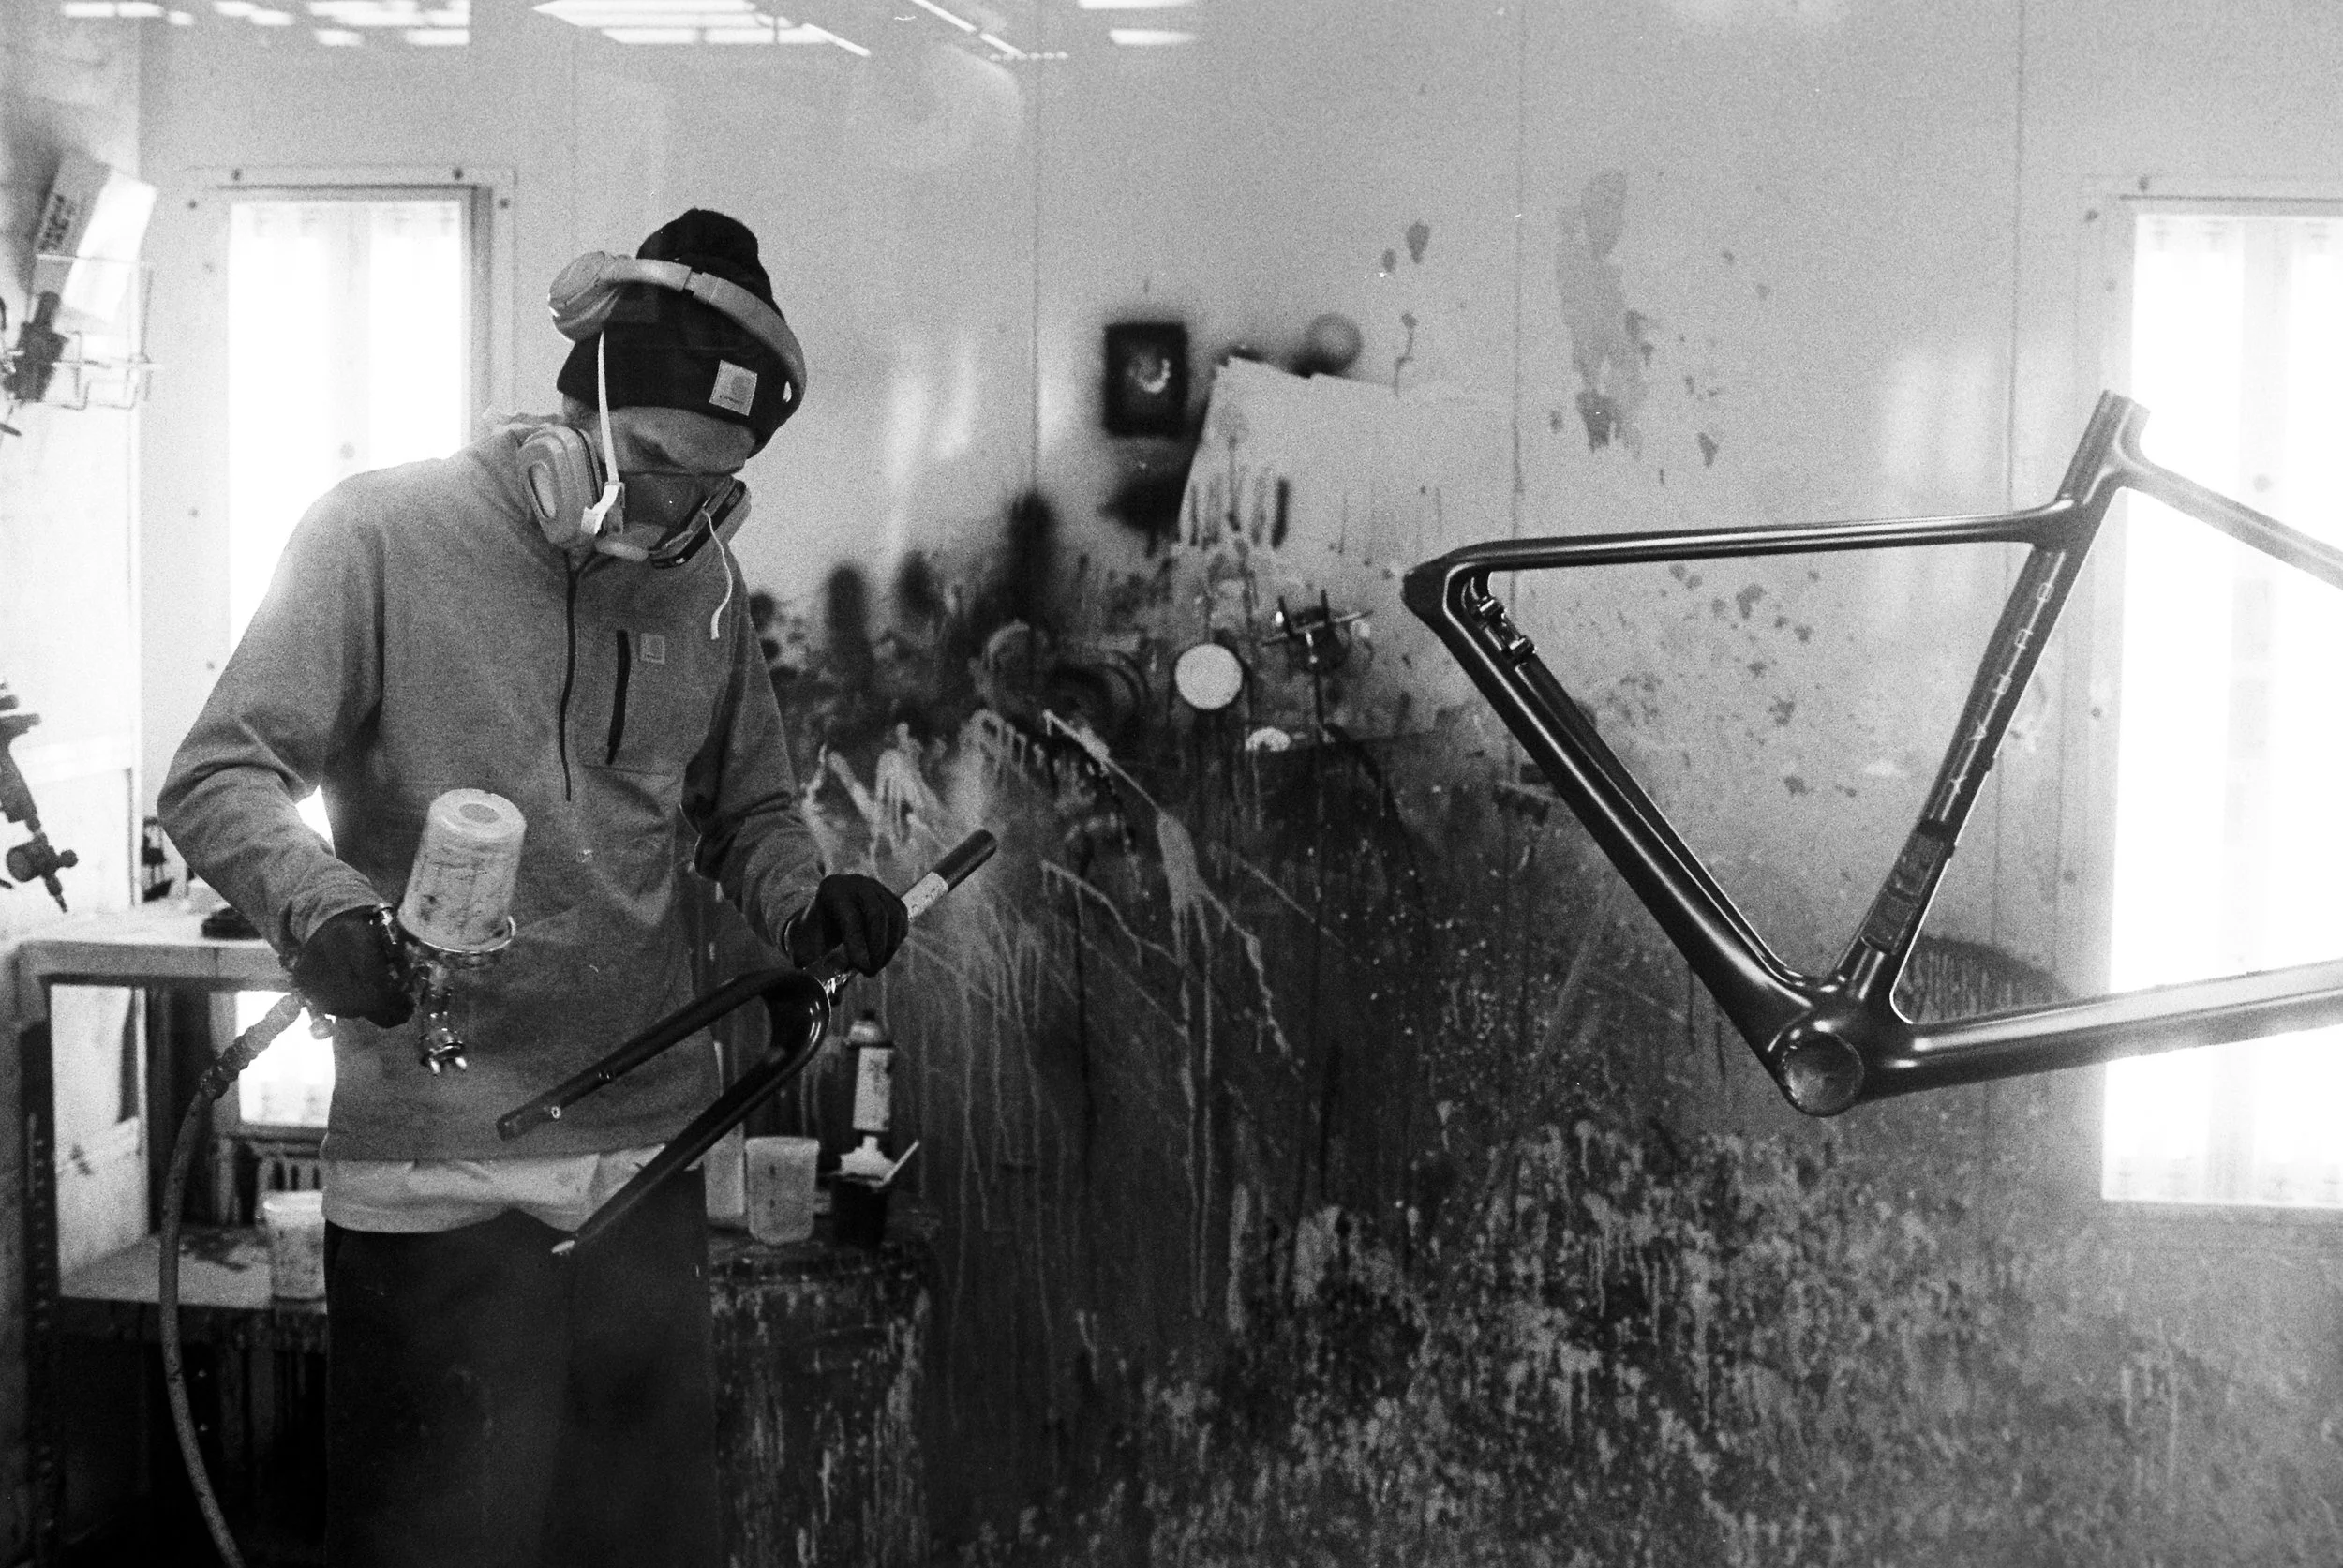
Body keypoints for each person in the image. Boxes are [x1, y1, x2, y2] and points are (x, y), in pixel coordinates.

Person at [159, 209, 905, 1568]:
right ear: (585, 408)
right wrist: (318, 908)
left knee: (636, 1541)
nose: (679, 514)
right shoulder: (380, 535)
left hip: (642, 1167)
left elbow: (747, 810)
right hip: (435, 1174)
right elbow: (220, 774)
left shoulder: (704, 586)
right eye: (657, 467)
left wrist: (811, 901)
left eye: (716, 488)